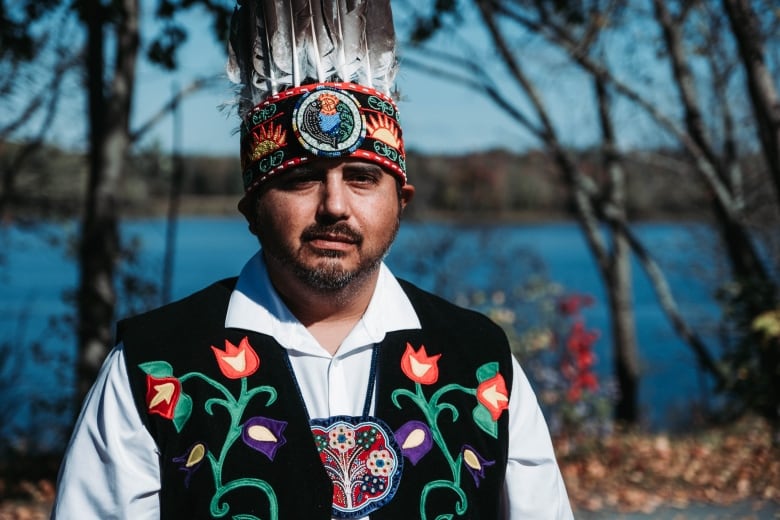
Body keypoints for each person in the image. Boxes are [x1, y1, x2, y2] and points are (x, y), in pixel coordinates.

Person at [51, 2, 574, 519]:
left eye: (362, 179)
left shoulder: (482, 364)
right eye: (301, 180)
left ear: (401, 203)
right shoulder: (154, 366)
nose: (334, 206)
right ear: (253, 207)